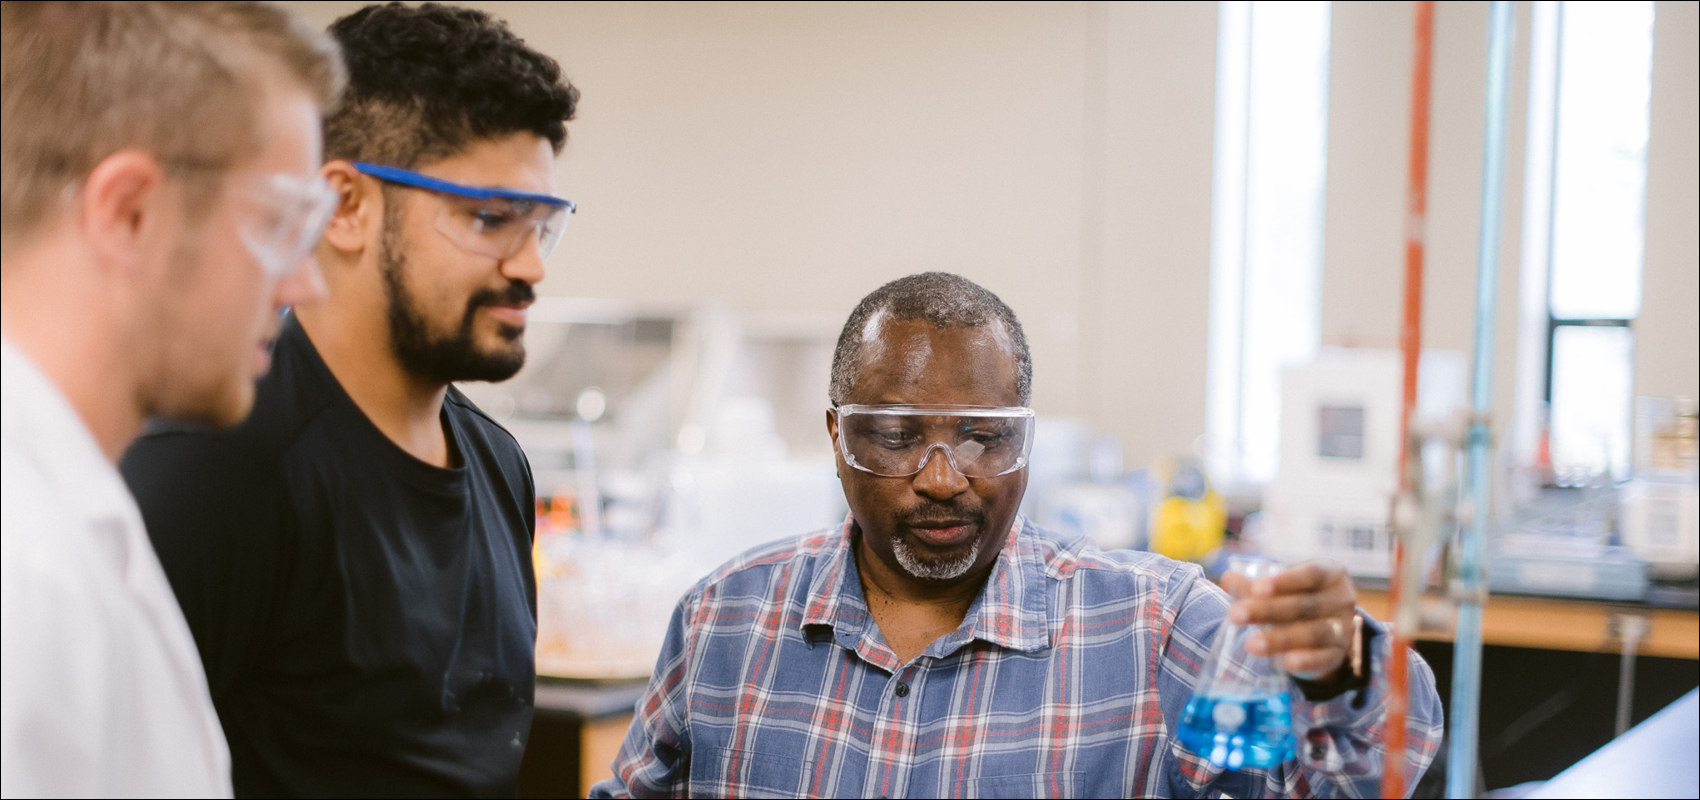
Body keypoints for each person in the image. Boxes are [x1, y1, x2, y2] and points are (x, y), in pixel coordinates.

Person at [593, 272, 1445, 798]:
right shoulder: (725, 620)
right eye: (894, 436)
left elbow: (1364, 778)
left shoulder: (1155, 628)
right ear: (836, 435)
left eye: (983, 436)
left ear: (1027, 437)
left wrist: (1347, 669)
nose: (941, 475)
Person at [117, 3, 579, 796]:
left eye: (543, 224)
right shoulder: (219, 466)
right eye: (492, 218)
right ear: (346, 208)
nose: (531, 265)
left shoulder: (500, 467)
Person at [0, 2, 343, 796]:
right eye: (281, 222)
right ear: (131, 212)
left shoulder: (71, 518)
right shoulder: (23, 570)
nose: (305, 282)